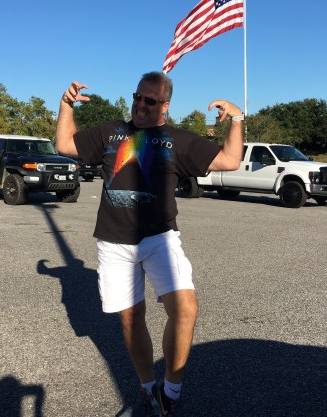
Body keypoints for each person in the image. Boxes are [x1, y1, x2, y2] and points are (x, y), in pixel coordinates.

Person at [56, 71, 243, 415]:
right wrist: (66, 105)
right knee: (131, 318)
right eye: (138, 97)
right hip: (114, 242)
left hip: (160, 239)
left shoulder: (178, 139)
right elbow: (65, 145)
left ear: (165, 106)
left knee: (185, 309)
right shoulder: (112, 131)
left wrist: (237, 119)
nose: (141, 105)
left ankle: (171, 392)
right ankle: (147, 389)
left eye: (150, 101)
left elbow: (230, 160)